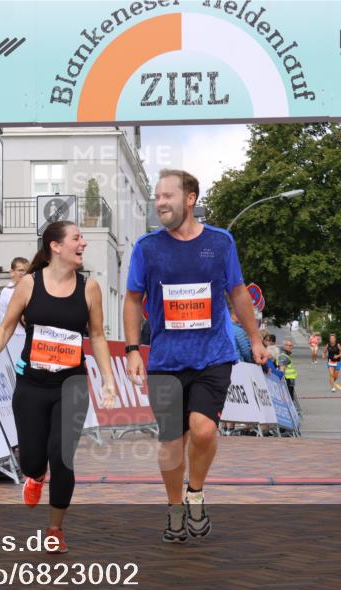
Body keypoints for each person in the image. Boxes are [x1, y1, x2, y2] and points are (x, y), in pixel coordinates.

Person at [123, 169, 267, 543]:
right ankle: (174, 507)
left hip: (212, 357)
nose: (160, 202)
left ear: (190, 199)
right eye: (156, 197)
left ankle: (196, 492)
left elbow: (237, 293)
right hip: (166, 362)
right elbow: (132, 300)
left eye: (168, 195)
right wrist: (132, 349)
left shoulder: (220, 243)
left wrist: (254, 338)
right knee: (172, 441)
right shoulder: (147, 247)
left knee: (203, 429)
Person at [0, 221, 117, 553]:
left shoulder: (90, 288)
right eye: (76, 238)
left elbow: (97, 335)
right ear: (56, 246)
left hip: (71, 385)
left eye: (83, 237)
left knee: (62, 455)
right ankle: (35, 475)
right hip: (32, 384)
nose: (83, 242)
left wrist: (109, 381)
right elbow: (7, 327)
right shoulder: (28, 284)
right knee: (32, 459)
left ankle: (55, 528)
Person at [0, 256, 29, 325]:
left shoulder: (31, 289)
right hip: (14, 334)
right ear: (12, 272)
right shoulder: (7, 291)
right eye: (21, 270)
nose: (25, 273)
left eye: (27, 271)